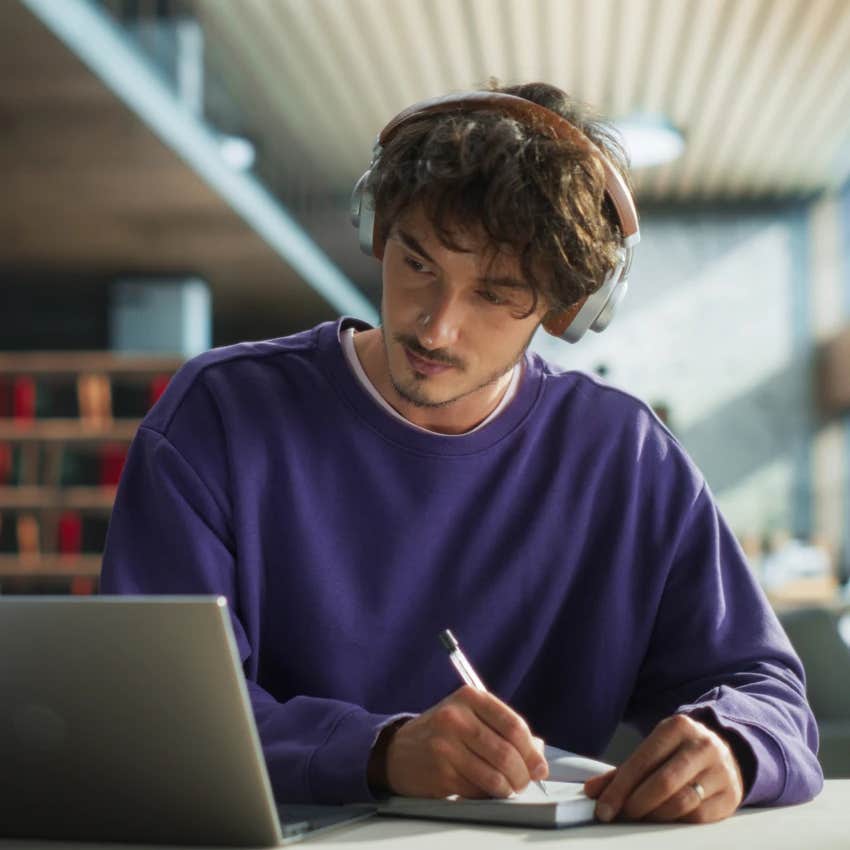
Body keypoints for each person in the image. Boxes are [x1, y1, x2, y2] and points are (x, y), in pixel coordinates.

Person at [100, 81, 823, 824]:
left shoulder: (625, 460)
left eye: (495, 294)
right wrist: (378, 752)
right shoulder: (219, 415)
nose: (437, 328)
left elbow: (768, 694)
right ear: (377, 227)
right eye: (418, 264)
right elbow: (155, 712)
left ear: (567, 308)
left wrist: (730, 748)